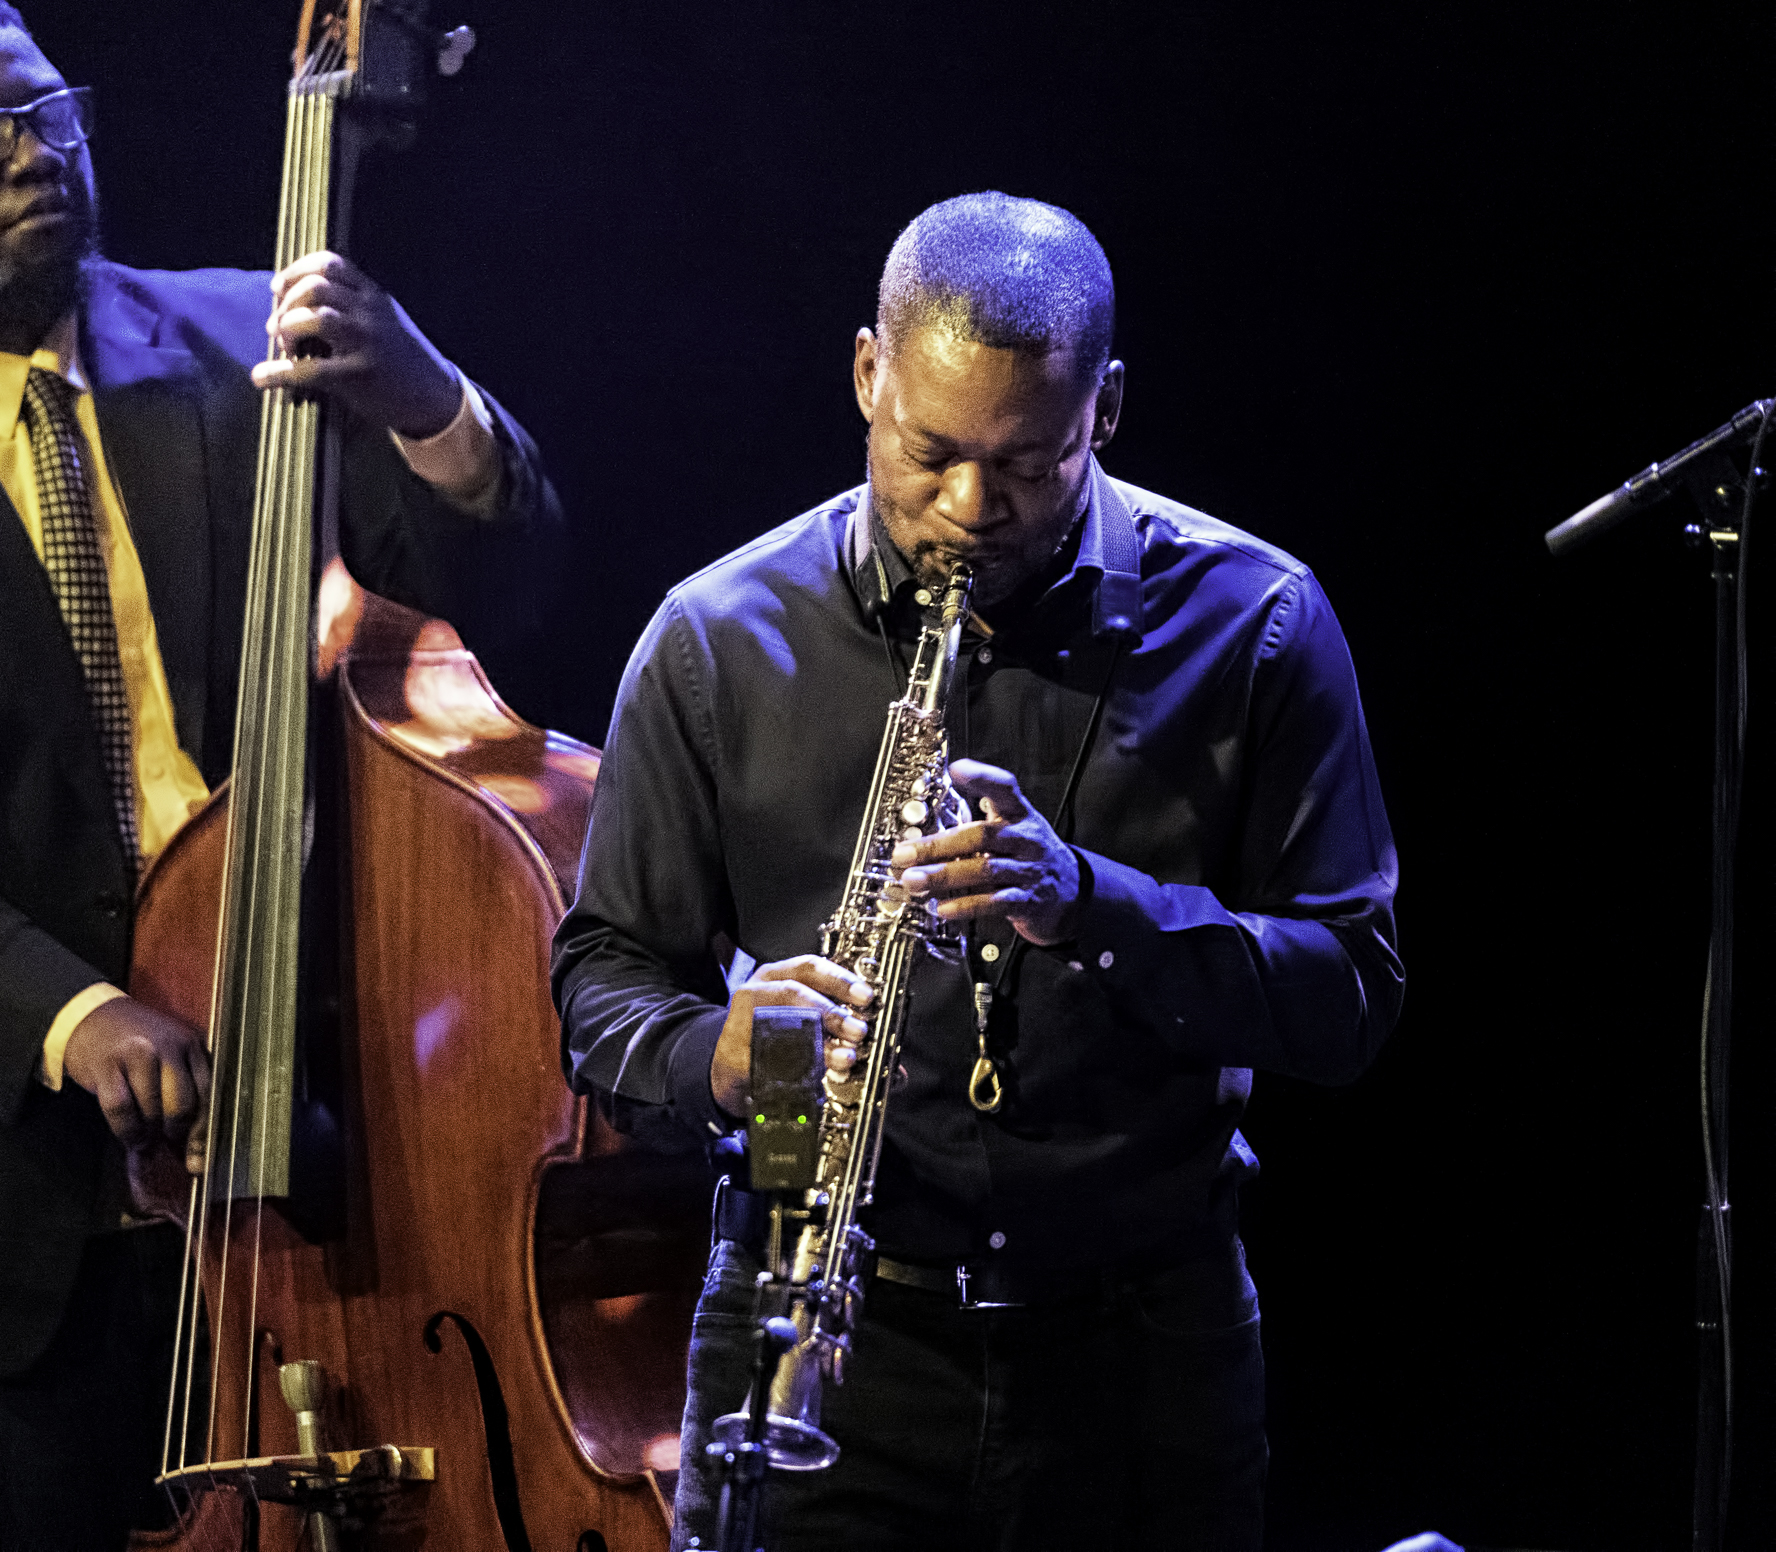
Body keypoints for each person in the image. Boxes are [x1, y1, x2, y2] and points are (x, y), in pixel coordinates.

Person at [0, 0, 561, 1552]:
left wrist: (429, 404)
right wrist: (76, 1013)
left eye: (48, 111)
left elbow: (498, 610)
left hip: (310, 1150)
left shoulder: (258, 350)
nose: (36, 152)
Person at [551, 192, 1400, 1550]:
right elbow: (600, 979)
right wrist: (727, 1056)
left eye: (1026, 465)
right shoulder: (719, 637)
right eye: (929, 452)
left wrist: (1093, 906)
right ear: (866, 375)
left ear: (1104, 411)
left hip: (1141, 1356)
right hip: (817, 1335)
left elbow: (1351, 995)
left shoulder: (1257, 625)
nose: (966, 511)